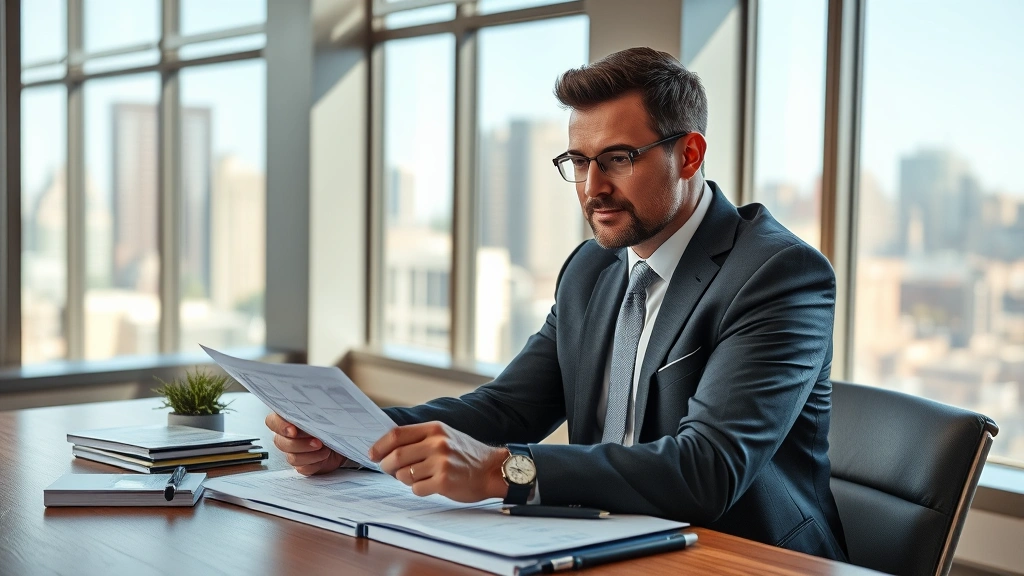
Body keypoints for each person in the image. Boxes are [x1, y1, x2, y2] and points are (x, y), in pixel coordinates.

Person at [266, 47, 848, 560]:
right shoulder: (591, 267)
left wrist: (500, 471)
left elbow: (707, 470)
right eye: (579, 161)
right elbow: (508, 410)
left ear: (689, 155)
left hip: (737, 556)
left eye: (618, 158)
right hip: (601, 539)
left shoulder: (777, 274)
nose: (592, 187)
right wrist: (354, 440)